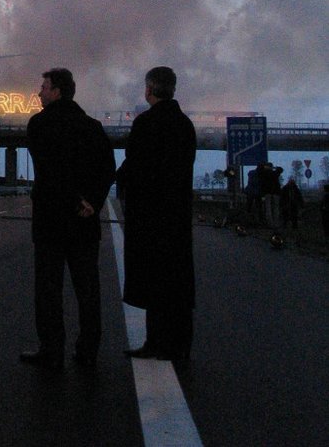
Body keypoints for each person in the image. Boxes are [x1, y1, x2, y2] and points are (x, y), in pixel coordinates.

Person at [19, 68, 115, 369]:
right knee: (87, 288)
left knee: (49, 289)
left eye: (44, 87)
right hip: (83, 220)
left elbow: (49, 171)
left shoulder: (38, 124)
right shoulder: (93, 127)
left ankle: (51, 349)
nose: (39, 92)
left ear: (57, 90)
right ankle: (88, 350)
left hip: (50, 219)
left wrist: (74, 197)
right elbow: (107, 168)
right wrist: (92, 201)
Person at [117, 66, 196, 362]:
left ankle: (156, 342)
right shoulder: (185, 125)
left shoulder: (146, 124)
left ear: (149, 89)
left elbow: (134, 165)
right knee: (178, 282)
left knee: (153, 281)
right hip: (177, 215)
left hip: (150, 217)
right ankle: (181, 346)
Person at [260, 162, 283, 229]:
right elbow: (280, 169)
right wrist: (274, 168)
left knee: (268, 209)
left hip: (267, 193)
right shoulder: (275, 173)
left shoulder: (263, 173)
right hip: (276, 193)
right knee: (276, 209)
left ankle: (270, 223)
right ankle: (276, 223)